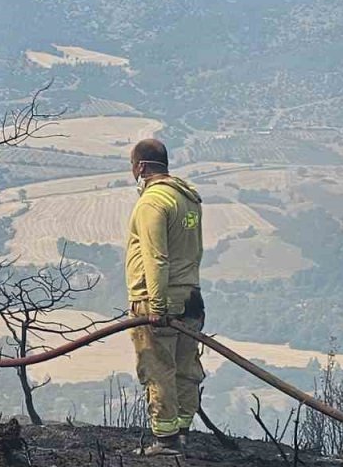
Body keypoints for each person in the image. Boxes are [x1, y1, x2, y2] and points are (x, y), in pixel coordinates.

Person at [125, 138, 206, 456]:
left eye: (133, 165)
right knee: (187, 367)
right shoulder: (188, 199)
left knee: (158, 368)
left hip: (159, 300)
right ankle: (182, 430)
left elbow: (155, 258)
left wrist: (155, 306)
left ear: (141, 167)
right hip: (191, 298)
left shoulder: (152, 203)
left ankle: (165, 441)